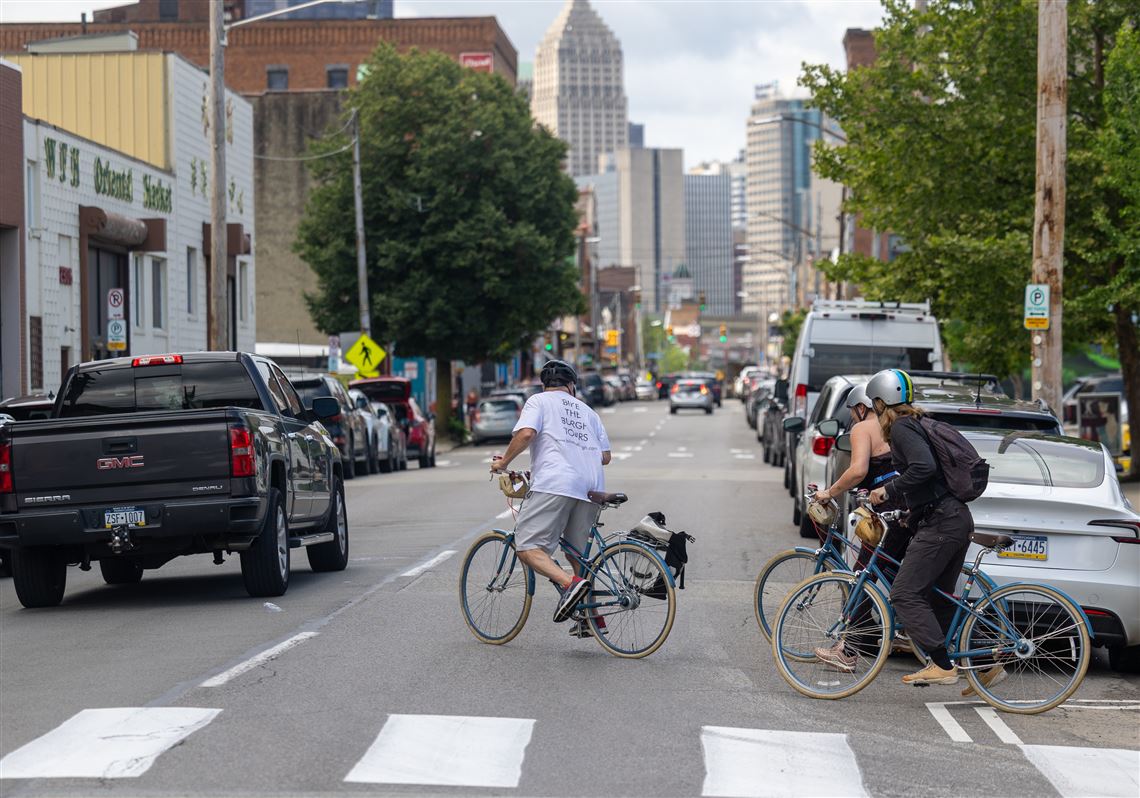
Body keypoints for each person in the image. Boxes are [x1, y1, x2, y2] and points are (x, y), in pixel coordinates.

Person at [489, 359, 612, 638]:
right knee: (577, 554)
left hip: (556, 483)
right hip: (591, 486)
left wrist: (504, 462)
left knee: (527, 546)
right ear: (571, 386)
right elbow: (605, 456)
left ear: (544, 385)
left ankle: (570, 585)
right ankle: (591, 617)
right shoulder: (589, 412)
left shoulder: (539, 401)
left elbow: (527, 433)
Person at [865, 368, 973, 686]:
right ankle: (987, 662)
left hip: (944, 522)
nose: (874, 411)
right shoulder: (916, 425)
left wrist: (888, 490)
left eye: (875, 404)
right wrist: (908, 513)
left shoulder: (901, 428)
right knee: (939, 598)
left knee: (904, 593)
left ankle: (942, 665)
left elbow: (923, 467)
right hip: (954, 518)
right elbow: (931, 481)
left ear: (884, 403)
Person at [810, 384, 911, 671]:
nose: (853, 419)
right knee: (897, 572)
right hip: (911, 506)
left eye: (853, 412)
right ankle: (896, 632)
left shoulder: (863, 428)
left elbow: (858, 470)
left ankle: (850, 650)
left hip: (888, 510)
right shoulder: (897, 425)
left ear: (862, 407)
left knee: (863, 575)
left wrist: (829, 492)